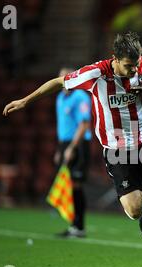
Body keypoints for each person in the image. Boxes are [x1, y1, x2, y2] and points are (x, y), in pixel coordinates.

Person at [3, 31, 142, 267]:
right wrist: (25, 101)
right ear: (115, 59)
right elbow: (58, 82)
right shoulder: (95, 73)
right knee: (134, 209)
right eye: (129, 66)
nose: (134, 70)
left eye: (136, 64)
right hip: (117, 149)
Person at [54, 67, 92, 238]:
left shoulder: (81, 97)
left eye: (66, 77)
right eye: (60, 77)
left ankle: (80, 226)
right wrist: (60, 148)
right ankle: (73, 225)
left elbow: (84, 125)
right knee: (69, 185)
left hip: (79, 143)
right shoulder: (60, 98)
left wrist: (72, 148)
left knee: (76, 184)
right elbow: (63, 126)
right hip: (65, 143)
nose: (63, 80)